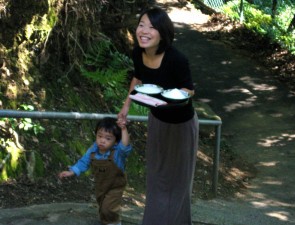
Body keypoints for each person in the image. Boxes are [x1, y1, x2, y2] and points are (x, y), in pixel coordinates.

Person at [118, 7, 199, 225]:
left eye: (152, 27)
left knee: (179, 181)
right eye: (141, 25)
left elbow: (189, 90)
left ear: (162, 33)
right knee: (157, 177)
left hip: (182, 126)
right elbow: (137, 79)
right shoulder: (137, 53)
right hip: (157, 122)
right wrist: (126, 107)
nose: (144, 31)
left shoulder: (176, 59)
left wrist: (167, 98)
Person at [58, 117, 132, 225]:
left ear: (116, 142)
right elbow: (84, 162)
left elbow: (125, 146)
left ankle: (114, 223)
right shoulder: (93, 150)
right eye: (99, 136)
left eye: (108, 138)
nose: (102, 140)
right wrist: (72, 171)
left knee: (108, 208)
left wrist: (124, 129)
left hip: (115, 186)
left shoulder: (118, 153)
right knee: (103, 207)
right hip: (101, 186)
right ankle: (110, 221)